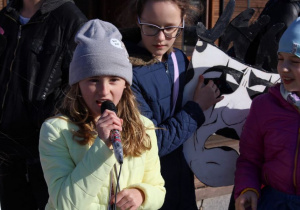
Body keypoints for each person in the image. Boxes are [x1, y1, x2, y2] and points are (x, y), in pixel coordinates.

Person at [39, 19, 166, 210]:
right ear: (78, 84)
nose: (104, 91)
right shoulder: (56, 131)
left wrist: (141, 194)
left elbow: (158, 189)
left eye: (114, 79)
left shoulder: (144, 126)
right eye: (93, 80)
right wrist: (102, 146)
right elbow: (65, 204)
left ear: (126, 84)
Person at [120, 0, 223, 209]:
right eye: (151, 27)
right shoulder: (125, 75)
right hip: (146, 190)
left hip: (182, 182)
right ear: (139, 21)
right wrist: (196, 109)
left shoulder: (179, 60)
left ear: (182, 22)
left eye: (169, 28)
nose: (160, 38)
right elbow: (152, 143)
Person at [0, 0, 87, 209]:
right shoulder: (7, 15)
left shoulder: (70, 19)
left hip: (46, 150)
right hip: (6, 148)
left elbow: (78, 87)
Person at [234, 17, 300, 210]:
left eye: (295, 61)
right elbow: (249, 158)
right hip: (272, 201)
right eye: (280, 58)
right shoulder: (264, 107)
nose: (283, 68)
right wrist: (248, 189)